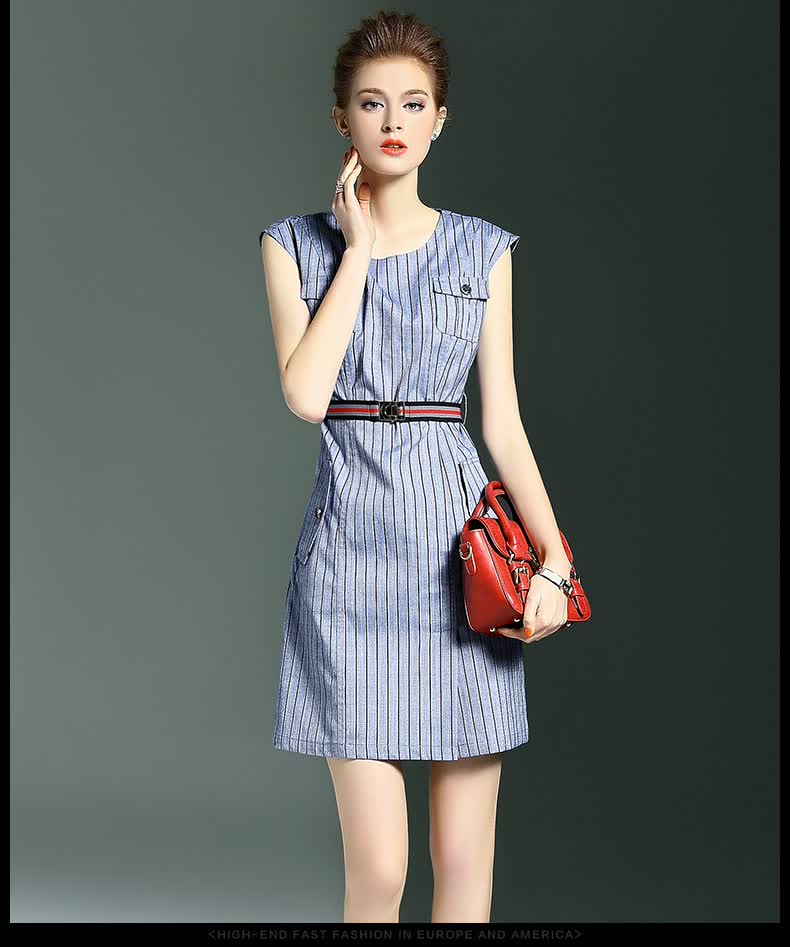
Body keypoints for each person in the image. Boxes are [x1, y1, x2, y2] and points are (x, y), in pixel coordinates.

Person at [259, 11, 574, 925]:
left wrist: (554, 560)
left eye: (412, 103)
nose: (392, 120)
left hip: (462, 565)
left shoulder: (483, 248)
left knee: (463, 862)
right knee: (382, 871)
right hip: (348, 565)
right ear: (341, 120)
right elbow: (307, 394)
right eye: (371, 103)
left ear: (440, 119)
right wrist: (356, 251)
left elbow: (503, 423)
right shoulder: (291, 245)